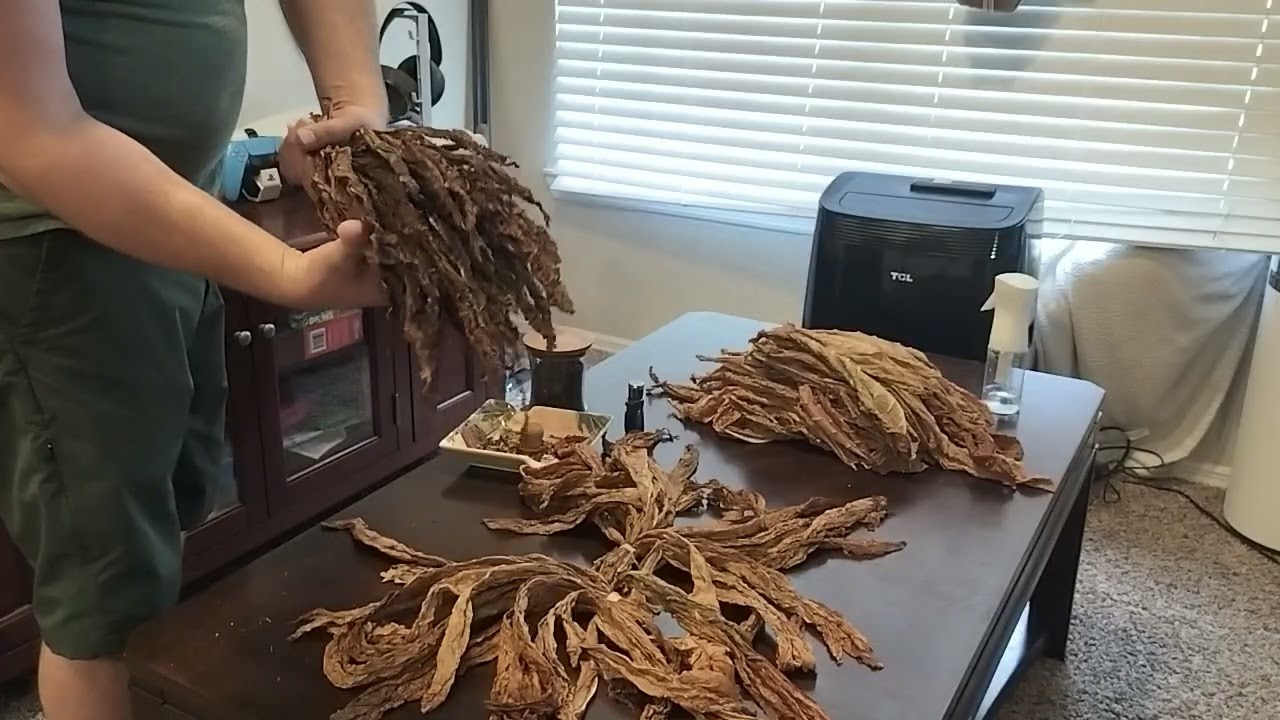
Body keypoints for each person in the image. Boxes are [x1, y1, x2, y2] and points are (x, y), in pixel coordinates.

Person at [0, 2, 389, 718]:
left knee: (167, 523)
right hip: (59, 247)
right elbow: (34, 133)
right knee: (102, 597)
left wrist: (355, 98)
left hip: (179, 210)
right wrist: (288, 272)